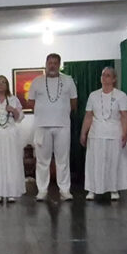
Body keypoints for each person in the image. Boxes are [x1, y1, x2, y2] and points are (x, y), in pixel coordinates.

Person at [27, 53, 77, 201]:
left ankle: (65, 190)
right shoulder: (37, 81)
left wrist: (60, 112)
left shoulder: (68, 80)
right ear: (46, 64)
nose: (52, 66)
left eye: (55, 63)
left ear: (59, 65)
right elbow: (31, 102)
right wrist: (44, 112)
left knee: (63, 160)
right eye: (50, 63)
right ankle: (42, 190)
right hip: (42, 126)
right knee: (42, 160)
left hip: (63, 125)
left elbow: (74, 102)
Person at [81, 67, 127, 201]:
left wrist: (125, 133)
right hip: (96, 134)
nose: (104, 78)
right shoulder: (93, 95)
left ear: (114, 79)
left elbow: (124, 116)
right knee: (94, 162)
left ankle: (114, 189)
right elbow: (88, 115)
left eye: (108, 75)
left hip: (114, 133)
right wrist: (83, 133)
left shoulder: (121, 95)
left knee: (113, 162)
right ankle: (92, 189)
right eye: (103, 75)